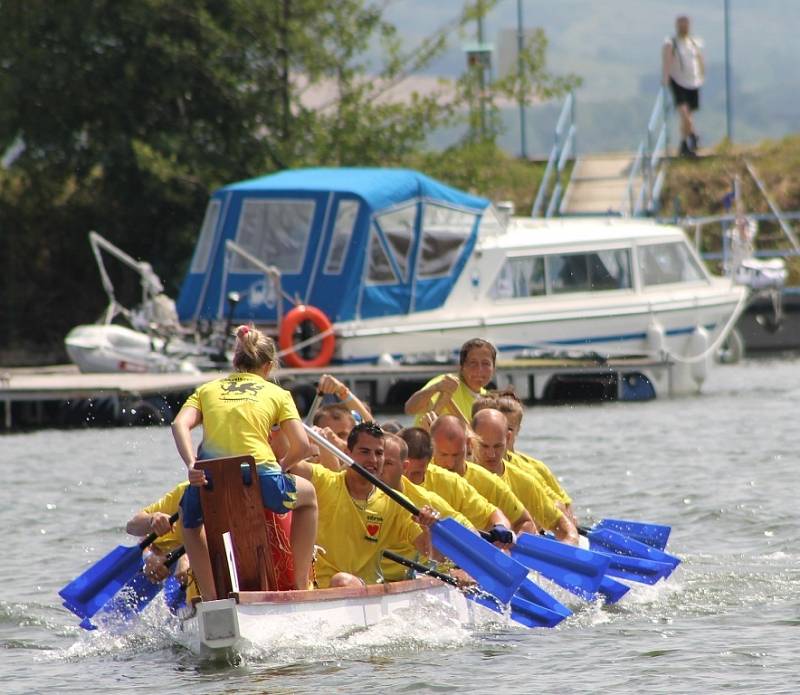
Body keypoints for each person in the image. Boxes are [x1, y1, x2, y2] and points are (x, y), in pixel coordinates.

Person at [171, 324, 318, 598]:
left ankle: (211, 597)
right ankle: (300, 586)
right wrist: (280, 467)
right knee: (308, 497)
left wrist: (191, 464)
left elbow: (179, 425)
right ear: (270, 365)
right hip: (260, 478)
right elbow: (303, 446)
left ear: (235, 361)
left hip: (208, 479)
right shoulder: (278, 394)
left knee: (189, 525)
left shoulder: (206, 389)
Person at [292, 422, 439, 588]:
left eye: (379, 453)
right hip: (317, 588)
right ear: (347, 453)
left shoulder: (395, 503)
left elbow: (431, 553)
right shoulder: (324, 481)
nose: (373, 460)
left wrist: (429, 528)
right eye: (365, 452)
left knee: (342, 581)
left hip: (362, 589)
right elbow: (285, 463)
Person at [471, 409, 579, 545]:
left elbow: (565, 528)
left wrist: (569, 543)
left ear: (508, 438)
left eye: (498, 446)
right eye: (484, 446)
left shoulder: (525, 482)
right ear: (471, 440)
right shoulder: (456, 476)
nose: (491, 454)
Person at [379, 433, 474, 581]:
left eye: (388, 463)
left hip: (411, 578)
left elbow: (471, 535)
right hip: (370, 579)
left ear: (404, 467)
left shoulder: (424, 500)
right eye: (378, 460)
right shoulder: (357, 493)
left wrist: (464, 569)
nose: (379, 468)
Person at [400, 427, 515, 546]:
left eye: (416, 473)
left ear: (429, 463)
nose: (405, 478)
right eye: (402, 469)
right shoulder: (383, 482)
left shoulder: (450, 482)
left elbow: (492, 514)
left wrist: (501, 526)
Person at [429, 415, 537, 536]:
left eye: (456, 455)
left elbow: (525, 522)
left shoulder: (490, 483)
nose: (450, 463)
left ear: (468, 444)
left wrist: (506, 542)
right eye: (443, 455)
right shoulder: (418, 475)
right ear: (432, 448)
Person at [488, 390, 577, 524]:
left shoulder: (536, 468)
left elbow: (564, 504)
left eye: (509, 429)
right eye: (499, 427)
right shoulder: (479, 463)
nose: (504, 433)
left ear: (518, 429)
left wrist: (568, 521)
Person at [126, 482, 198, 602]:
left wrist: (186, 557)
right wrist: (149, 556)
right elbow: (132, 526)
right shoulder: (188, 493)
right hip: (181, 586)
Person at [405, 338, 497, 426]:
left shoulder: (488, 401)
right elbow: (410, 409)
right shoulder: (447, 383)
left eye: (486, 363)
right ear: (461, 367)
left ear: (494, 368)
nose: (479, 370)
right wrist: (437, 387)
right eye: (473, 363)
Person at [662, 15, 704, 156]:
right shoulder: (671, 43)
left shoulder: (694, 43)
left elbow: (699, 60)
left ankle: (684, 142)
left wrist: (702, 75)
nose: (684, 28)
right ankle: (693, 136)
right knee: (684, 114)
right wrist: (665, 78)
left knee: (688, 116)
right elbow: (667, 61)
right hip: (678, 82)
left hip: (693, 82)